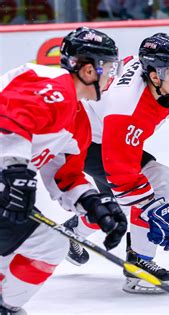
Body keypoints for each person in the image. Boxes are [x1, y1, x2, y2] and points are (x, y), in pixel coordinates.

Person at [62, 32, 169, 294]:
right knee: (157, 183)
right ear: (153, 75)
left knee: (119, 204)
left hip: (105, 135)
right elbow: (121, 174)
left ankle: (72, 231)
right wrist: (151, 207)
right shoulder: (126, 108)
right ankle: (139, 265)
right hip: (88, 142)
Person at [0, 27, 127, 314]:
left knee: (50, 242)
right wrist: (16, 171)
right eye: (108, 67)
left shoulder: (77, 119)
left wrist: (95, 205)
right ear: (88, 70)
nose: (112, 76)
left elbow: (65, 176)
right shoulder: (52, 85)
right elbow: (10, 117)